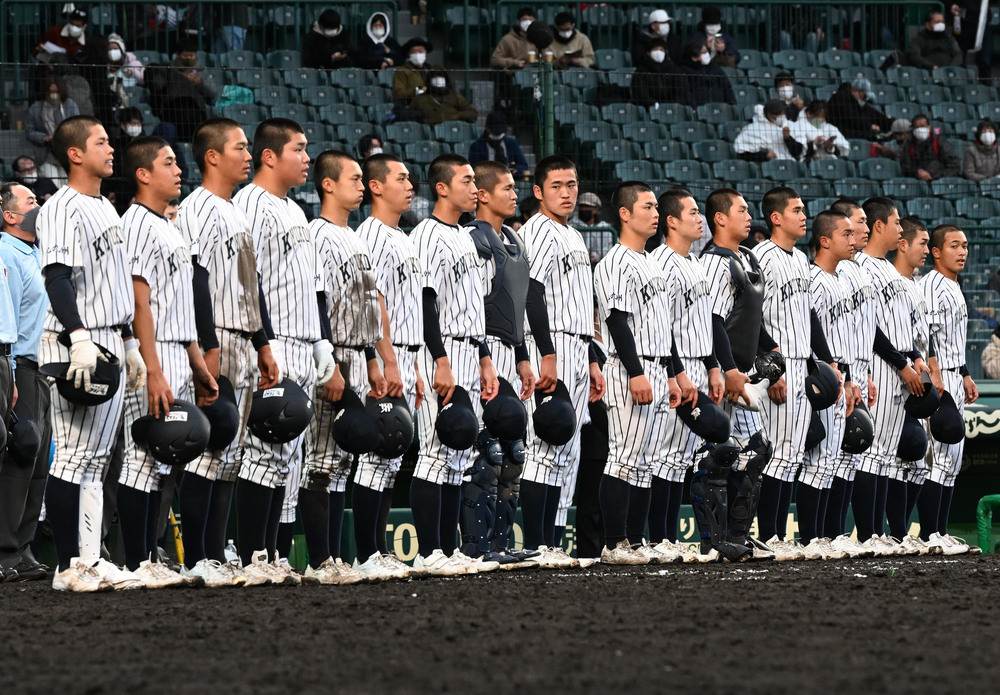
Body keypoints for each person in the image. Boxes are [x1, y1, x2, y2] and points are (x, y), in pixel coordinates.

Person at [36, 115, 148, 592]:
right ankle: (69, 566)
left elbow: (113, 284)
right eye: (101, 141)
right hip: (73, 341)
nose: (110, 148)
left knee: (96, 459)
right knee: (72, 457)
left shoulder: (105, 205)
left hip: (108, 337)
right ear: (75, 154)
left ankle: (90, 558)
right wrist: (79, 336)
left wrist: (130, 343)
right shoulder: (62, 206)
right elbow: (57, 278)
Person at [175, 118, 280, 587]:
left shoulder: (235, 210)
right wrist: (208, 347)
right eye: (239, 147)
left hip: (242, 335)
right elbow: (196, 279)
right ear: (212, 156)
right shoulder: (198, 207)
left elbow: (250, 285)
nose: (247, 154)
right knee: (208, 448)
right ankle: (197, 557)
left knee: (229, 453)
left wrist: (263, 343)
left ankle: (216, 554)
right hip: (216, 334)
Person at [233, 119, 335, 584]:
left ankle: (273, 553)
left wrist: (321, 345)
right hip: (267, 342)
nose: (306, 158)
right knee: (261, 450)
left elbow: (313, 288)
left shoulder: (296, 210)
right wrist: (263, 342)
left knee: (288, 458)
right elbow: (246, 283)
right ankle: (252, 553)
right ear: (270, 156)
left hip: (301, 342)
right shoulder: (249, 205)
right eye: (299, 148)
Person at [115, 136, 218, 586]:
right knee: (142, 458)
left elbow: (178, 306)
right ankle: (136, 562)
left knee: (165, 463)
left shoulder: (168, 225)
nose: (179, 170)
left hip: (177, 349)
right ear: (143, 174)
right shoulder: (136, 223)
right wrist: (153, 370)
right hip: (151, 355)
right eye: (169, 163)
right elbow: (141, 304)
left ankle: (149, 559)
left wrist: (197, 363)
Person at [408, 154, 499, 574]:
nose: (474, 188)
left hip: (468, 348)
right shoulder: (426, 234)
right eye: (466, 180)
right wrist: (440, 359)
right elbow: (425, 303)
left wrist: (484, 358)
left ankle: (449, 549)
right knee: (434, 451)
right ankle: (430, 552)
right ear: (442, 187)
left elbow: (475, 306)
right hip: (438, 350)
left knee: (459, 456)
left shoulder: (466, 236)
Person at [299, 150, 385, 584]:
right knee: (319, 460)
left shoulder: (355, 236)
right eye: (353, 177)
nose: (360, 183)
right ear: (328, 184)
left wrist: (372, 357)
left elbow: (367, 305)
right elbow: (316, 302)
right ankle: (319, 561)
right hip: (331, 354)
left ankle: (334, 557)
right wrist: (328, 360)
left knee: (340, 463)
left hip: (356, 350)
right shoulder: (317, 234)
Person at [519, 155, 606, 566]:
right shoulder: (537, 231)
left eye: (571, 185)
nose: (567, 193)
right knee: (544, 447)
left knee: (567, 455)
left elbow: (582, 305)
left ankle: (553, 543)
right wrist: (548, 355)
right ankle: (537, 544)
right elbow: (531, 294)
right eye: (556, 186)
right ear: (538, 191)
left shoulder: (572, 235)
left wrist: (590, 357)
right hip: (548, 346)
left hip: (576, 346)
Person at [593, 182, 679, 565]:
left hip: (658, 367)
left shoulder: (651, 261)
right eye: (647, 206)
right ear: (625, 214)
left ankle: (635, 540)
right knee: (624, 457)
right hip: (632, 368)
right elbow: (615, 320)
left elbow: (666, 325)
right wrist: (635, 371)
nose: (655, 212)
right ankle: (614, 544)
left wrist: (673, 374)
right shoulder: (615, 261)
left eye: (657, 206)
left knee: (646, 462)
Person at [754, 187, 839, 560]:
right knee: (774, 455)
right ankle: (768, 535)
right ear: (776, 217)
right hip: (777, 367)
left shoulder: (801, 259)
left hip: (802, 366)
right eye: (796, 210)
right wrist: (769, 371)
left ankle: (777, 536)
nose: (804, 216)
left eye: (804, 210)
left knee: (790, 455)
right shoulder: (762, 257)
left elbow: (809, 316)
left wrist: (826, 359)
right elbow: (749, 316)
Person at [646, 189, 731, 562]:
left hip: (697, 364)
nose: (701, 219)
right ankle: (658, 536)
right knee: (663, 454)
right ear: (671, 221)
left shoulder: (695, 263)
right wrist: (676, 372)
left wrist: (713, 365)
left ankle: (667, 539)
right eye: (693, 212)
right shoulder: (660, 262)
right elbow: (661, 328)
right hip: (672, 368)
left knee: (681, 457)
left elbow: (704, 325)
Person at [355, 154, 426, 576]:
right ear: (376, 186)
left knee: (391, 459)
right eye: (400, 178)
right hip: (387, 354)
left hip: (407, 354)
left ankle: (379, 551)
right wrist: (386, 360)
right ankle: (366, 553)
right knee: (375, 456)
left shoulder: (403, 236)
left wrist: (413, 365)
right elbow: (373, 304)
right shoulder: (373, 236)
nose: (409, 184)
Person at [698, 188, 779, 561]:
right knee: (718, 454)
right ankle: (712, 542)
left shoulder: (746, 256)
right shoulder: (715, 262)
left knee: (757, 451)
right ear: (719, 218)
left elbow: (749, 316)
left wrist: (770, 347)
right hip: (718, 372)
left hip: (742, 371)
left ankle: (737, 538)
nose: (749, 216)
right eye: (741, 210)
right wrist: (727, 368)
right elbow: (713, 321)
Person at [469, 160, 542, 563]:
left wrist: (523, 357)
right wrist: (483, 357)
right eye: (507, 188)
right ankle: (476, 546)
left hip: (509, 348)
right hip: (480, 350)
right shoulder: (474, 239)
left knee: (514, 452)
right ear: (482, 194)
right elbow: (471, 306)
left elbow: (516, 307)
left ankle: (500, 543)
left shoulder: (513, 238)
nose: (515, 194)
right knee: (488, 452)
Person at [853, 197, 929, 554]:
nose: (901, 229)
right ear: (879, 225)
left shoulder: (887, 270)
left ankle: (880, 533)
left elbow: (903, 327)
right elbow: (871, 330)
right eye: (897, 223)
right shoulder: (863, 266)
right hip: (880, 366)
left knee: (885, 454)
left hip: (900, 365)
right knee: (873, 452)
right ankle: (868, 535)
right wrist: (901, 363)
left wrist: (915, 358)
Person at [919, 224, 980, 554]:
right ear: (937, 252)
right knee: (940, 458)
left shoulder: (955, 286)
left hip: (955, 375)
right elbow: (924, 330)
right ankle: (930, 534)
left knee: (952, 462)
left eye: (966, 246)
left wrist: (966, 374)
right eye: (955, 246)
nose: (963, 251)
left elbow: (953, 341)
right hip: (938, 380)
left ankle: (940, 532)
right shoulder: (932, 284)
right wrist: (935, 372)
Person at [801, 210, 857, 559]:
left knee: (831, 461)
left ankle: (825, 534)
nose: (853, 240)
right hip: (819, 379)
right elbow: (805, 334)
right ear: (825, 240)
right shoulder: (815, 280)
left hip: (839, 377)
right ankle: (810, 536)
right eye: (846, 234)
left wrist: (849, 379)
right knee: (815, 458)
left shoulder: (839, 279)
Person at [826, 199, 878, 557]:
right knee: (829, 455)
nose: (863, 229)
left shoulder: (856, 268)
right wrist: (841, 373)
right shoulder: (838, 270)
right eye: (857, 223)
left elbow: (864, 327)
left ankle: (839, 532)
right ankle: (826, 533)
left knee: (850, 454)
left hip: (857, 366)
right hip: (832, 369)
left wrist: (866, 371)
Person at [0, 183, 46, 581]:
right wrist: (10, 370)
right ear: (10, 216)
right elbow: (7, 316)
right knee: (22, 452)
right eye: (30, 201)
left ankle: (25, 547)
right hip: (20, 366)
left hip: (44, 367)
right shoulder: (6, 252)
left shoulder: (37, 251)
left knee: (38, 462)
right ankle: (6, 551)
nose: (39, 205)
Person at [889, 216, 937, 554]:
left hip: (913, 374)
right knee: (895, 456)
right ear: (902, 243)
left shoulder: (915, 282)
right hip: (892, 374)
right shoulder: (891, 279)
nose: (926, 248)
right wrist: (906, 361)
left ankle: (902, 533)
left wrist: (920, 359)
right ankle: (892, 533)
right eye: (922, 242)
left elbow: (915, 335)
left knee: (919, 463)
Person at [26, 77, 80, 183]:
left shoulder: (69, 105)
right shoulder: (36, 108)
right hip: (47, 156)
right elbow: (29, 131)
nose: (53, 95)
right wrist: (44, 138)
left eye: (56, 91)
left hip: (67, 155)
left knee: (67, 186)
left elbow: (77, 127)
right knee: (54, 186)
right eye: (51, 91)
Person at [102, 107, 145, 215]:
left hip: (141, 193)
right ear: (123, 125)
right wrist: (112, 191)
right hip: (120, 197)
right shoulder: (115, 146)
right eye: (133, 123)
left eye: (138, 123)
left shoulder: (147, 144)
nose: (136, 126)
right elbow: (112, 172)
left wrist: (139, 196)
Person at [734, 100, 804, 162]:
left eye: (783, 114)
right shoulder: (754, 129)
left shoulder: (790, 125)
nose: (782, 117)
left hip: (790, 165)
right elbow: (742, 153)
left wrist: (788, 138)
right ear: (769, 115)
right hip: (769, 165)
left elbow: (798, 152)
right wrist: (765, 156)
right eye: (779, 115)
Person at [468, 111, 530, 179]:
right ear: (487, 128)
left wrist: (515, 169)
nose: (498, 135)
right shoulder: (477, 146)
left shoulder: (511, 144)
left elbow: (524, 166)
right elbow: (474, 170)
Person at [900, 114, 960, 182]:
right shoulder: (908, 145)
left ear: (929, 127)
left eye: (923, 126)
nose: (920, 130)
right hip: (918, 182)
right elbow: (905, 168)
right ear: (913, 130)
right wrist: (918, 172)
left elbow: (954, 165)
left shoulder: (939, 142)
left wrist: (934, 176)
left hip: (939, 181)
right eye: (917, 127)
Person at [827, 79, 893, 140]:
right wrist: (869, 126)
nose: (865, 99)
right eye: (864, 96)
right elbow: (853, 119)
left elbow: (875, 115)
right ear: (854, 91)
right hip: (841, 135)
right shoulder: (839, 100)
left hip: (855, 133)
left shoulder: (858, 102)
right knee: (874, 135)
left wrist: (893, 124)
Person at [631, 38, 688, 108]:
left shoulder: (673, 69)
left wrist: (674, 104)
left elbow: (680, 89)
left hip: (672, 107)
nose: (659, 52)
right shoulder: (641, 71)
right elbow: (640, 92)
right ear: (648, 53)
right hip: (649, 107)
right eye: (655, 49)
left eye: (661, 50)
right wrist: (653, 104)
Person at [678, 39, 735, 107]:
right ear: (694, 57)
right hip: (700, 109)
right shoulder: (684, 71)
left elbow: (726, 87)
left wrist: (732, 104)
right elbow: (686, 92)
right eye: (703, 53)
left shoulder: (714, 68)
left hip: (720, 107)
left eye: (706, 51)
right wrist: (694, 107)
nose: (707, 55)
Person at [409, 70, 478, 126]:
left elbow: (473, 113)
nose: (438, 81)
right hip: (429, 131)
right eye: (435, 79)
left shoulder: (455, 96)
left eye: (441, 78)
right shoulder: (420, 98)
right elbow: (409, 115)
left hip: (452, 130)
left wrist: (456, 116)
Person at [392, 38, 437, 119]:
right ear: (408, 54)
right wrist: (418, 90)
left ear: (425, 53)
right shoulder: (402, 71)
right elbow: (398, 94)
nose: (417, 54)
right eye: (413, 52)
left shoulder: (432, 70)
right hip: (413, 107)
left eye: (420, 51)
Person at [569, 192, 615, 262]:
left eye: (587, 207)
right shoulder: (571, 225)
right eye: (582, 206)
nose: (584, 209)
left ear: (596, 209)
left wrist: (597, 256)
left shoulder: (605, 228)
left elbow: (611, 249)